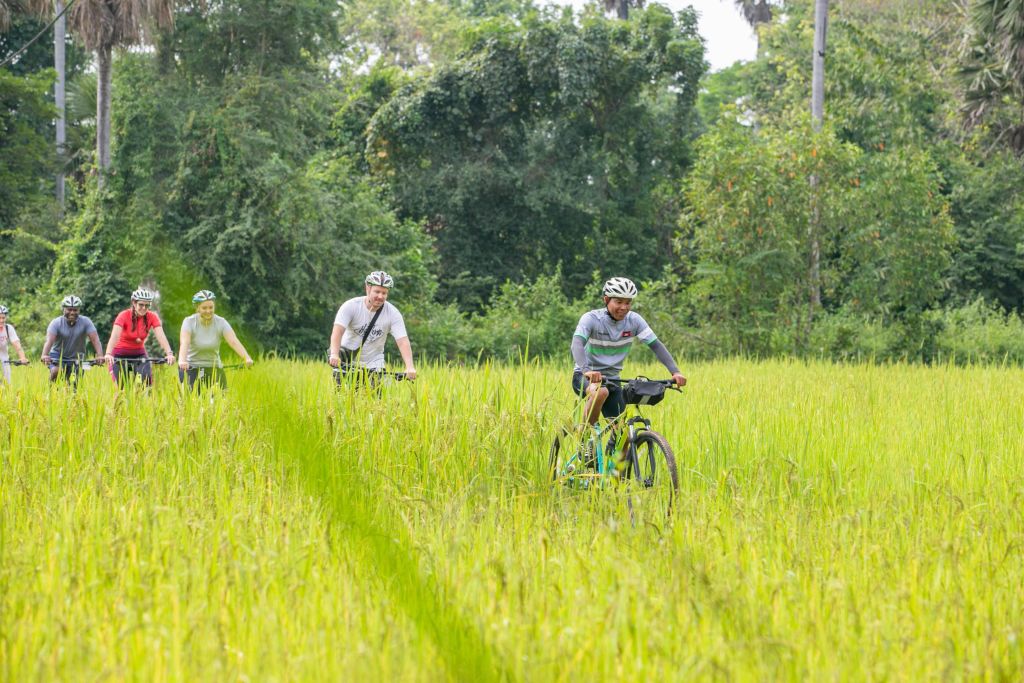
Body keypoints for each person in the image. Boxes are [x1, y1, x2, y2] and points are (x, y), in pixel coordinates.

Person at [571, 277, 686, 426]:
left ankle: (622, 448)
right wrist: (586, 370)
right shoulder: (591, 319)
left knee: (622, 435)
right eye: (619, 302)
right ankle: (586, 436)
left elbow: (656, 345)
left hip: (613, 380)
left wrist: (675, 372)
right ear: (606, 299)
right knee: (600, 392)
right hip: (585, 377)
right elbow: (577, 343)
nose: (624, 307)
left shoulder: (634, 320)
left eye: (628, 302)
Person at [327, 270, 417, 388]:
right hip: (347, 361)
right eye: (377, 291)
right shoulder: (351, 306)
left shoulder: (393, 313)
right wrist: (334, 354)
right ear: (368, 288)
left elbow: (402, 341)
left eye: (384, 293)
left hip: (374, 362)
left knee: (378, 400)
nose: (380, 296)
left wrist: (409, 366)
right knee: (342, 399)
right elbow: (337, 332)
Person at [177, 290, 253, 392]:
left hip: (214, 366)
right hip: (192, 367)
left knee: (222, 398)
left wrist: (246, 358)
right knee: (191, 400)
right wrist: (182, 360)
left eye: (211, 307)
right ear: (197, 308)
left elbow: (233, 341)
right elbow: (184, 342)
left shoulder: (221, 322)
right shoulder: (189, 322)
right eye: (204, 308)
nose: (208, 311)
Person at [105, 288, 175, 388]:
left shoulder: (152, 316)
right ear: (134, 303)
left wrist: (169, 353)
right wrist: (108, 353)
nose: (144, 308)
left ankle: (143, 402)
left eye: (147, 305)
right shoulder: (123, 315)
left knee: (145, 383)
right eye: (141, 305)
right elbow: (115, 336)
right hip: (119, 354)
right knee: (122, 387)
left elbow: (161, 335)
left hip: (139, 354)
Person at [40, 295, 107, 383]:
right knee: (57, 371)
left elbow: (95, 340)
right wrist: (44, 354)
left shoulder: (86, 322)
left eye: (75, 310)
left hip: (77, 357)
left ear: (79, 310)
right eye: (69, 309)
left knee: (76, 382)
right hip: (58, 356)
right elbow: (49, 341)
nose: (72, 312)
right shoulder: (56, 323)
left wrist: (100, 355)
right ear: (63, 309)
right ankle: (50, 391)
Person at [0, 305, 29, 383]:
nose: (1, 320)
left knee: (6, 384)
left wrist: (23, 358)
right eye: (0, 318)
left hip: (4, 358)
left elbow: (17, 345)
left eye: (3, 318)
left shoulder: (8, 328)